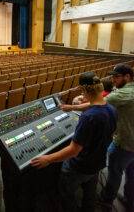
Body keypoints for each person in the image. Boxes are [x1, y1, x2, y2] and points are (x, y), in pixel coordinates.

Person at [31, 72, 117, 212]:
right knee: (89, 194)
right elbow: (95, 105)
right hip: (98, 163)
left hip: (79, 167)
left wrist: (48, 158)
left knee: (66, 195)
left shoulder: (88, 117)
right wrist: (72, 108)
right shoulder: (111, 109)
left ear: (83, 90)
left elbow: (73, 150)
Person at [100, 64, 134, 211]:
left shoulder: (125, 93)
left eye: (116, 77)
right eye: (112, 77)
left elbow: (99, 103)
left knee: (114, 172)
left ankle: (106, 201)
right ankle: (129, 200)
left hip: (125, 143)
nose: (113, 80)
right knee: (132, 173)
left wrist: (72, 106)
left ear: (127, 77)